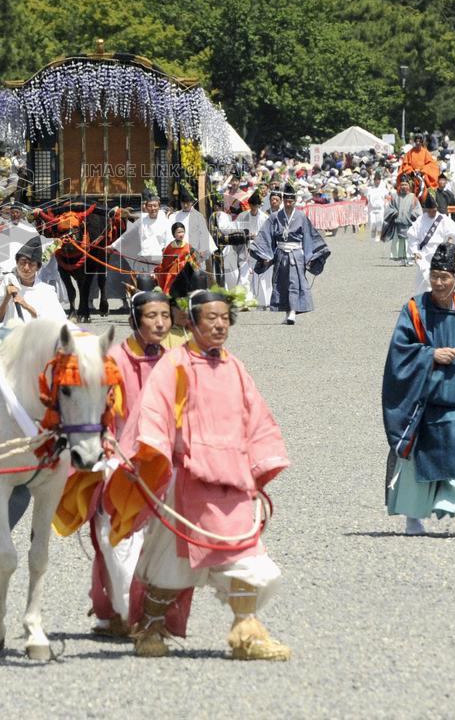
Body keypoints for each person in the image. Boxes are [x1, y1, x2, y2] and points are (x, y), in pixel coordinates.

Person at [105, 288, 291, 661]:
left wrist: (258, 464)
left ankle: (246, 634)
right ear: (192, 321)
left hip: (233, 480)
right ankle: (151, 629)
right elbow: (151, 414)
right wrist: (151, 456)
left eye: (225, 317)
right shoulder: (174, 364)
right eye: (211, 318)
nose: (220, 324)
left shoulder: (235, 367)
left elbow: (256, 418)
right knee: (171, 564)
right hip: (187, 481)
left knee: (247, 558)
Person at [382, 243, 455, 538]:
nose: (439, 283)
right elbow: (399, 352)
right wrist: (429, 355)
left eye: (445, 277)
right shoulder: (414, 310)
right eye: (434, 276)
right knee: (417, 463)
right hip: (425, 400)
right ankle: (413, 521)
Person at [90, 279, 173, 638]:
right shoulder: (114, 360)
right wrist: (108, 444)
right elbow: (98, 410)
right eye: (151, 316)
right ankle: (128, 611)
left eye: (165, 316)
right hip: (120, 457)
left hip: (161, 460)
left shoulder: (173, 360)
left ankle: (132, 611)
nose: (159, 323)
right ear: (135, 320)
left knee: (157, 540)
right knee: (119, 538)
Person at [250, 184, 330, 325]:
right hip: (280, 254)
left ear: (295, 201)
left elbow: (309, 237)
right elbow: (266, 235)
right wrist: (265, 256)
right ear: (283, 200)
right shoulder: (274, 217)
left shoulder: (301, 217)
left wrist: (310, 257)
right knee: (282, 284)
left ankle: (293, 311)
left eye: (291, 200)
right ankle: (288, 312)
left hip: (296, 254)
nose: (288, 202)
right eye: (286, 200)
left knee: (294, 282)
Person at [0, 237, 66, 325]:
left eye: (31, 264)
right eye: (23, 262)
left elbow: (55, 323)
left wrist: (27, 306)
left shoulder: (46, 291)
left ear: (38, 267)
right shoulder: (4, 286)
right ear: (17, 263)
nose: (26, 268)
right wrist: (6, 298)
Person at [406, 191, 455, 294]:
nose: (433, 212)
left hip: (440, 253)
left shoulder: (443, 219)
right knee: (423, 279)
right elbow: (412, 236)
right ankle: (422, 302)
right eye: (430, 210)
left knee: (440, 280)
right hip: (424, 254)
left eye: (434, 210)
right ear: (426, 209)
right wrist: (415, 251)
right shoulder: (421, 220)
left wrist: (450, 243)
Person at [110, 190, 172, 274]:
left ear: (159, 206)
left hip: (159, 259)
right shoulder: (142, 219)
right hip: (143, 259)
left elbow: (169, 240)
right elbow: (128, 235)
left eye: (155, 206)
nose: (152, 208)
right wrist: (112, 246)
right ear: (146, 207)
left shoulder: (165, 219)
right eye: (149, 206)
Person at [170, 187, 217, 262]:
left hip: (195, 253)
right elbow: (170, 234)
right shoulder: (174, 217)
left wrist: (203, 249)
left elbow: (204, 234)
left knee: (196, 272)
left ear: (191, 202)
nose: (185, 205)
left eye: (187, 203)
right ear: (180, 203)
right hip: (179, 253)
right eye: (183, 203)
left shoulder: (198, 216)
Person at [154, 222, 199, 295]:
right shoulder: (169, 247)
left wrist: (189, 259)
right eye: (179, 232)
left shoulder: (188, 247)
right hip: (173, 272)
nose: (181, 234)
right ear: (174, 234)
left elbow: (194, 263)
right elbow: (166, 263)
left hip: (186, 272)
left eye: (182, 232)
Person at [385, 177, 420, 265]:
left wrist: (413, 215)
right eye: (402, 185)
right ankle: (402, 259)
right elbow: (389, 208)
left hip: (409, 224)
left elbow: (418, 210)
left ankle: (410, 259)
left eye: (405, 185)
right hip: (398, 224)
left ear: (409, 186)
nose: (404, 186)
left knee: (409, 241)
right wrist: (394, 213)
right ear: (399, 186)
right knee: (400, 242)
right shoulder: (395, 196)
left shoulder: (413, 197)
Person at [366, 173, 388, 242]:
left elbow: (387, 197)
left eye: (378, 179)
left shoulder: (383, 189)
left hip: (380, 209)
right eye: (376, 179)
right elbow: (367, 198)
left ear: (380, 180)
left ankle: (378, 235)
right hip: (372, 209)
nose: (377, 181)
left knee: (379, 222)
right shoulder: (370, 189)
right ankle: (373, 233)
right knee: (373, 222)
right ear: (374, 180)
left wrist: (386, 203)